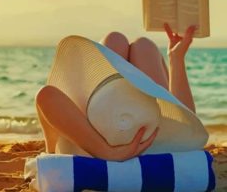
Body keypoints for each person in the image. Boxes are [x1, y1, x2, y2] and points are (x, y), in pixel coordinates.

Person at [35, 23, 197, 161]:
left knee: (117, 40)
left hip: (98, 139)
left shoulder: (87, 139)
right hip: (153, 140)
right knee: (143, 45)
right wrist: (176, 58)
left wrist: (107, 153)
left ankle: (52, 148)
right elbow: (187, 125)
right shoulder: (164, 143)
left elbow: (46, 96)